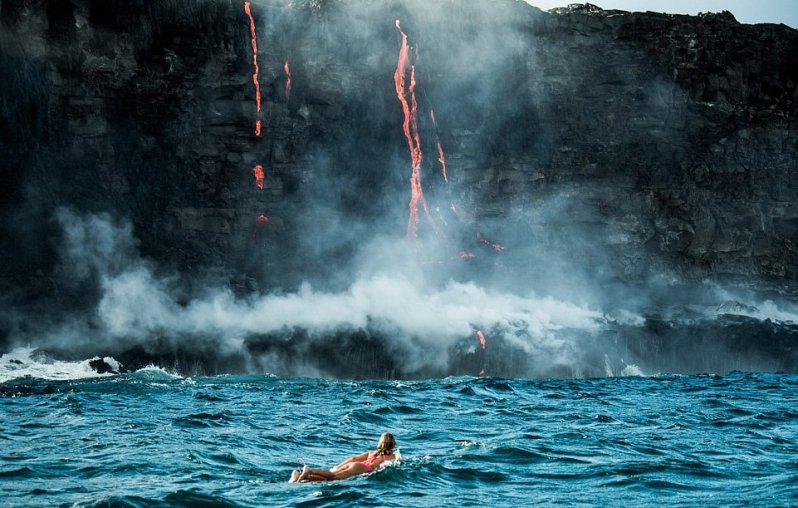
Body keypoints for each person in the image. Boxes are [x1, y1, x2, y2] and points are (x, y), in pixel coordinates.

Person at [289, 433, 397, 483]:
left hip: (354, 464)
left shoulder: (371, 453)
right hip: (361, 468)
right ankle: (309, 470)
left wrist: (338, 466)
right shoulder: (391, 455)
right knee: (334, 477)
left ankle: (300, 475)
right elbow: (396, 463)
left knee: (330, 477)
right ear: (392, 443)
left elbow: (353, 459)